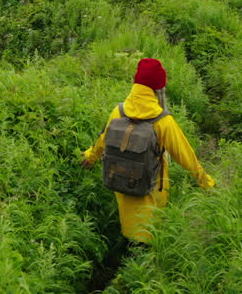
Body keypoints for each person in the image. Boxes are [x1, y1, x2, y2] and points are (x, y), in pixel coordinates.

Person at [81, 58, 215, 244]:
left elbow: (103, 139)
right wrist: (206, 182)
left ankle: (126, 252)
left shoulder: (119, 111)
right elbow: (185, 156)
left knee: (129, 230)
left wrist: (90, 156)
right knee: (150, 235)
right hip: (150, 191)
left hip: (122, 183)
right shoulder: (162, 121)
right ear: (158, 90)